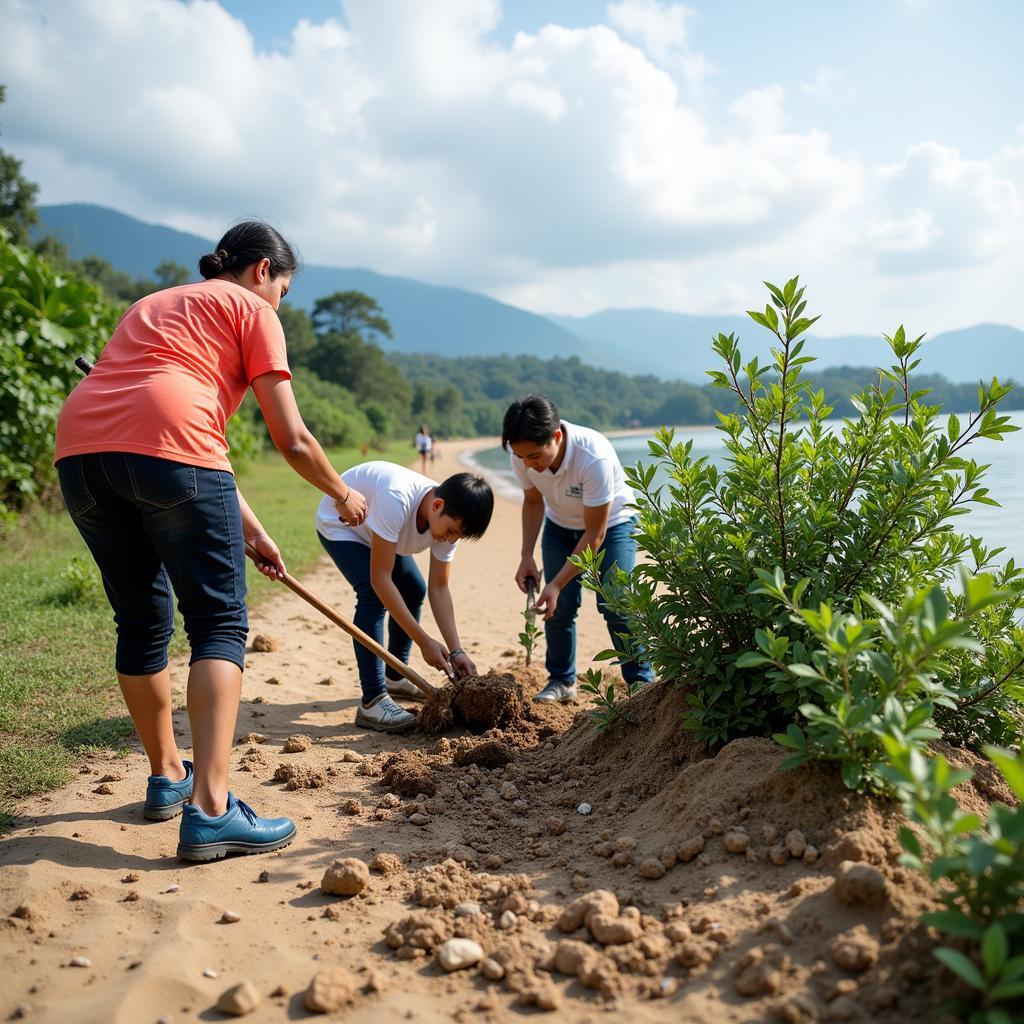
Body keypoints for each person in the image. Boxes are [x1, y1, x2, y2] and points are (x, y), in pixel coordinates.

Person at [54, 221, 368, 862]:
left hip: (81, 454)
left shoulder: (152, 305)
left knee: (140, 620)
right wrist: (343, 493)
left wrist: (250, 528)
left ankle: (169, 776)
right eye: (283, 289)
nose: (278, 302)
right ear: (262, 272)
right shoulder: (251, 308)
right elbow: (292, 438)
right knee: (220, 624)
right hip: (168, 451)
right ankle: (212, 810)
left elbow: (188, 443)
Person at [316, 462, 493, 731]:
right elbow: (380, 580)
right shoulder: (396, 499)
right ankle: (373, 700)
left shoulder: (446, 523)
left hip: (383, 532)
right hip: (344, 526)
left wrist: (456, 650)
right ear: (437, 506)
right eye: (450, 531)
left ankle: (395, 676)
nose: (448, 539)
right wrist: (424, 641)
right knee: (372, 596)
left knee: (414, 589)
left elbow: (439, 588)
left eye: (456, 536)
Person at [502, 394, 655, 702]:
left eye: (534, 456)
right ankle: (561, 681)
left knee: (615, 602)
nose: (528, 464)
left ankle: (641, 683)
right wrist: (525, 555)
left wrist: (557, 582)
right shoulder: (520, 454)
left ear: (556, 436)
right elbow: (533, 501)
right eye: (521, 458)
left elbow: (595, 534)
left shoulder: (592, 456)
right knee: (558, 609)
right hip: (559, 525)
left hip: (612, 525)